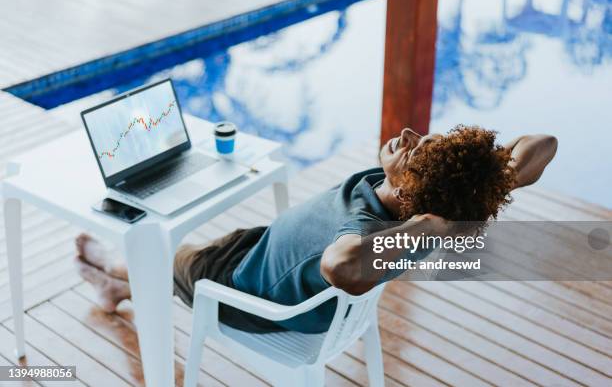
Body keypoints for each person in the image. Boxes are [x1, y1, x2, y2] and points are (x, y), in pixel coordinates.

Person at [74, 125, 557, 333]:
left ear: (413, 197)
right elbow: (543, 144)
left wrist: (433, 223)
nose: (408, 135)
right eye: (425, 139)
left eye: (414, 152)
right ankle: (115, 289)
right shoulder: (432, 200)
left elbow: (341, 264)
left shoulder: (367, 228)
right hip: (263, 249)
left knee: (165, 257)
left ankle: (113, 274)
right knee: (195, 249)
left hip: (244, 290)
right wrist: (496, 176)